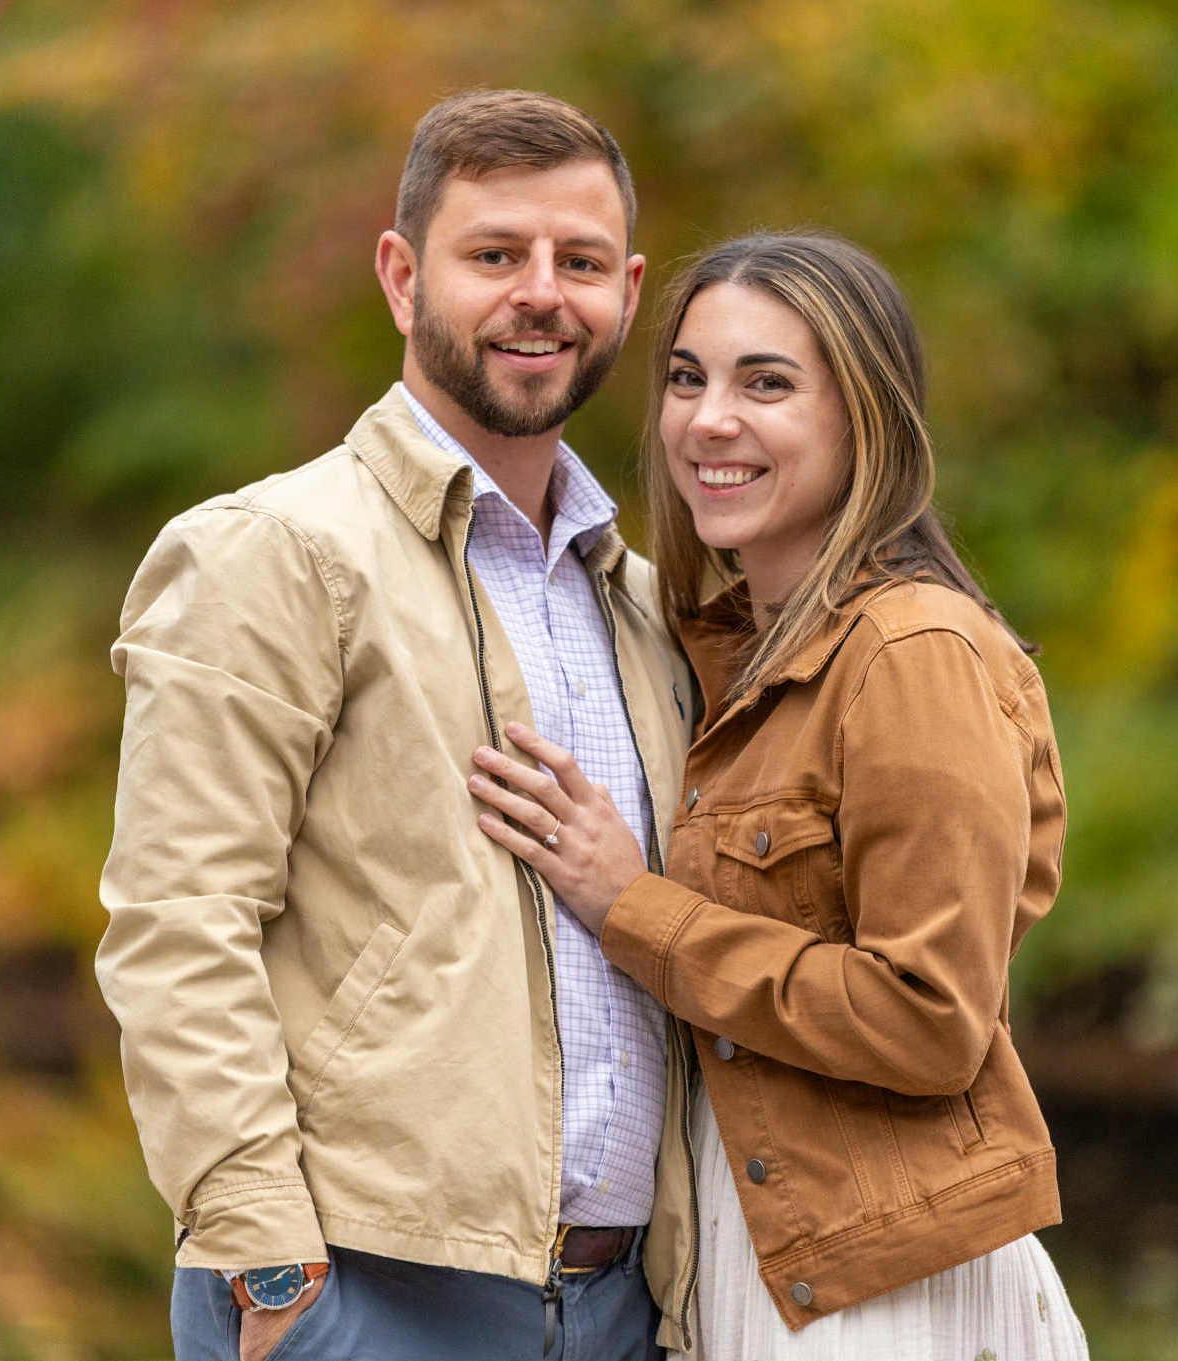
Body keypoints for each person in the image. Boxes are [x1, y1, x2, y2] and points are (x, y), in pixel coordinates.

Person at [95, 89, 701, 1361]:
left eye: (578, 262)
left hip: (623, 1308)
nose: (540, 293)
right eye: (494, 255)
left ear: (628, 292)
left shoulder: (644, 605)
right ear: (399, 273)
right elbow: (177, 924)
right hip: (366, 1299)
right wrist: (273, 1270)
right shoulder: (273, 553)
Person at [469, 232, 1089, 1361]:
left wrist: (632, 906)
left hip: (890, 1289)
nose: (709, 420)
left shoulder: (911, 653)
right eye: (687, 377)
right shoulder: (716, 659)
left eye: (766, 383)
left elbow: (929, 1016)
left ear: (865, 417)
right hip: (755, 1266)